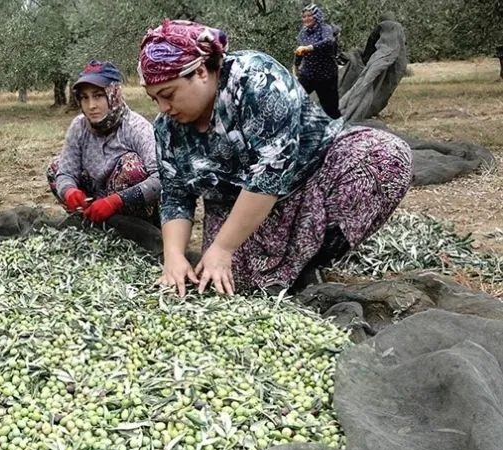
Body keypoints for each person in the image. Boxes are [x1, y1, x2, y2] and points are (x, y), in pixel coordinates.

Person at [138, 19, 412, 296]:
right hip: (238, 209)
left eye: (168, 94)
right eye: (154, 99)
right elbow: (175, 195)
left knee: (387, 160)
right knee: (233, 284)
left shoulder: (256, 79)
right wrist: (173, 257)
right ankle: (283, 268)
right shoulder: (167, 129)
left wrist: (222, 248)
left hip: (313, 175)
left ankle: (309, 261)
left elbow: (269, 173)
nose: (163, 108)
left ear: (200, 72)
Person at [47, 60, 161, 224]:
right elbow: (65, 172)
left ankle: (132, 228)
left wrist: (116, 201)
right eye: (84, 98)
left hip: (128, 207)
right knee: (54, 168)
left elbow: (161, 178)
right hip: (95, 199)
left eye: (98, 96)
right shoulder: (79, 127)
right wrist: (69, 191)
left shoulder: (137, 128)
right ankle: (88, 220)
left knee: (132, 167)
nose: (91, 106)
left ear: (113, 94)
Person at [294, 4, 342, 119]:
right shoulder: (303, 33)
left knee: (330, 109)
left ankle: (338, 130)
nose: (306, 19)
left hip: (326, 76)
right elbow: (300, 51)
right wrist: (296, 65)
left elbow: (329, 42)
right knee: (295, 99)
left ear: (316, 16)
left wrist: (310, 47)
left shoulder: (325, 29)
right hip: (308, 75)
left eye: (309, 16)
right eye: (304, 17)